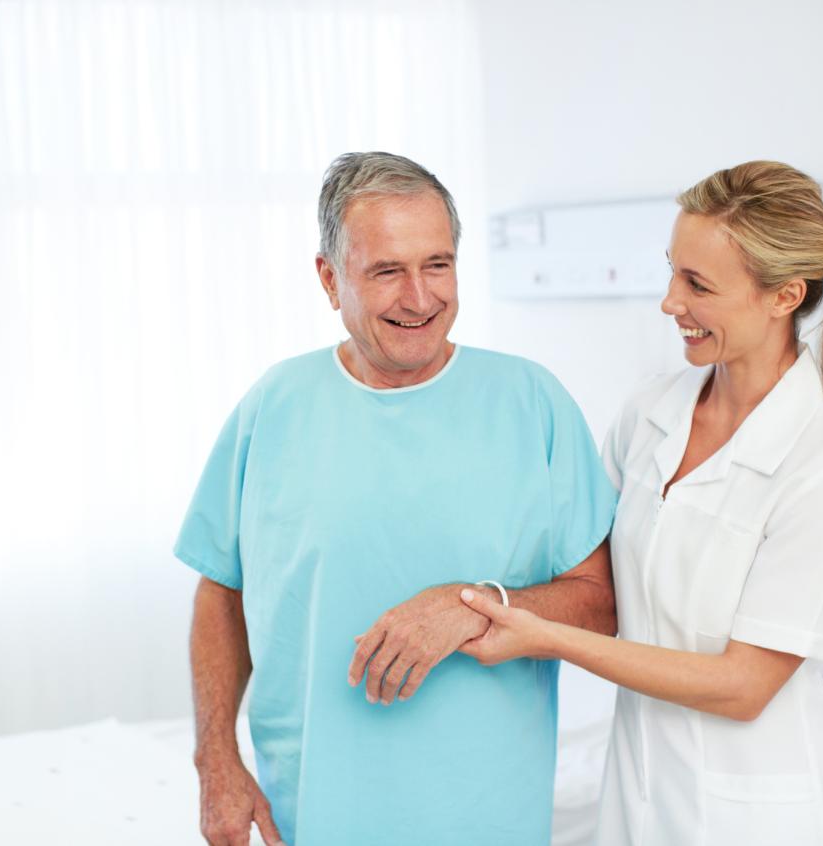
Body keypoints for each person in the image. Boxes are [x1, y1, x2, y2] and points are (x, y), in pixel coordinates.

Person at [175, 151, 619, 845]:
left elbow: (599, 602)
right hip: (311, 811)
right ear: (329, 279)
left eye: (437, 265)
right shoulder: (275, 407)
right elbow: (220, 592)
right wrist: (216, 760)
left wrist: (473, 607)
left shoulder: (532, 403)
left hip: (485, 811)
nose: (420, 298)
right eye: (387, 271)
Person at [458, 160, 823, 845]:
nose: (670, 302)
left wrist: (547, 638)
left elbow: (743, 684)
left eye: (697, 284)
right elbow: (589, 571)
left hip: (761, 816)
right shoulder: (650, 413)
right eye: (672, 271)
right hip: (639, 793)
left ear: (784, 296)